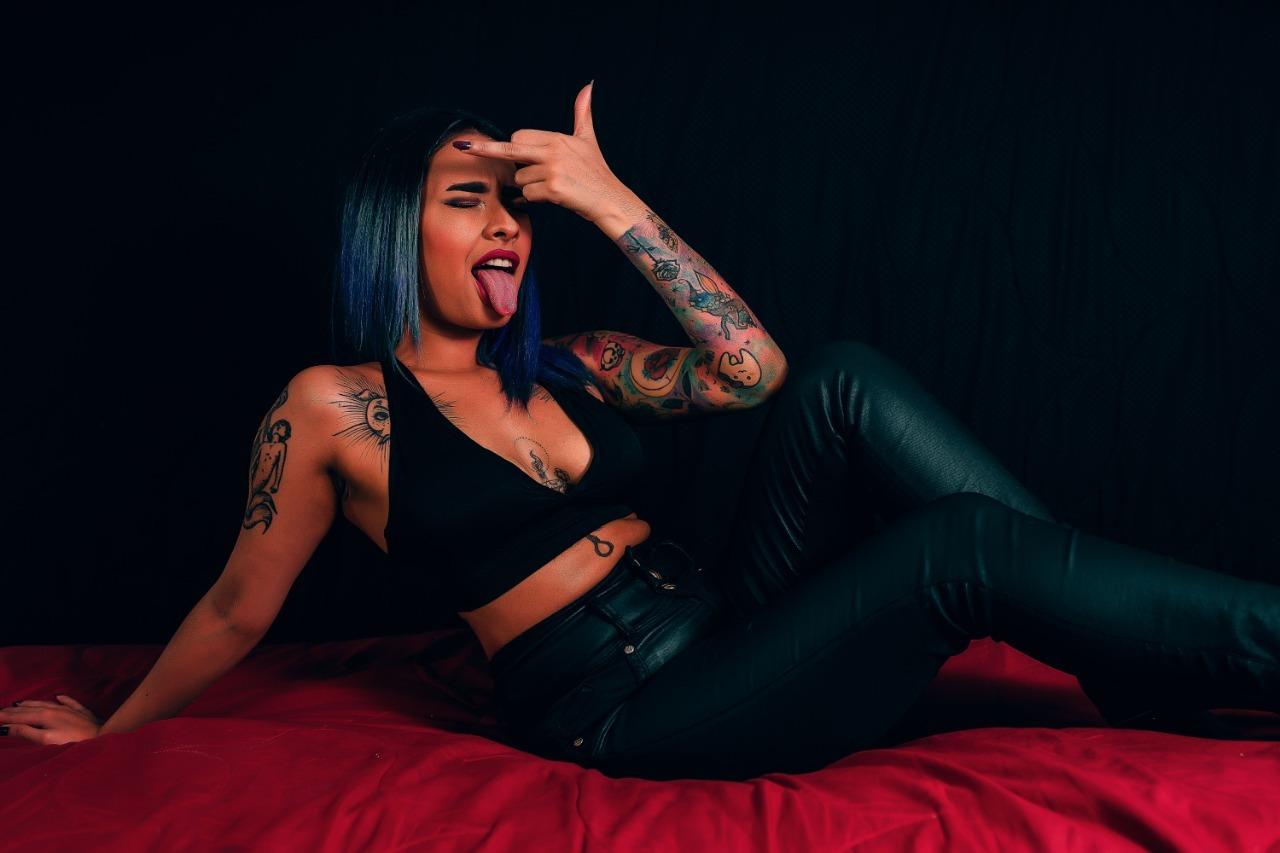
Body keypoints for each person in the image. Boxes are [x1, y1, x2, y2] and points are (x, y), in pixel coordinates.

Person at [5, 83, 1279, 782]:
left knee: (839, 380)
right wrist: (116, 731)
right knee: (956, 547)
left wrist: (609, 202)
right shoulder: (336, 407)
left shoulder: (571, 364)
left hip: (728, 627)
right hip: (629, 709)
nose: (506, 225)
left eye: (517, 206)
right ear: (395, 229)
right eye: (469, 200)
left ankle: (1130, 661)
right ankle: (1226, 646)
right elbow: (239, 604)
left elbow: (753, 373)